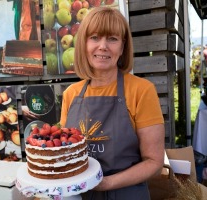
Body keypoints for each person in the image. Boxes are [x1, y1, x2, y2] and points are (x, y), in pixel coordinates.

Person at [59, 7, 165, 199]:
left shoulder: (141, 91)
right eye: (95, 37)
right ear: (83, 44)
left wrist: (104, 183)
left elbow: (154, 162)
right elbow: (67, 154)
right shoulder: (70, 94)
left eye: (112, 39)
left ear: (123, 47)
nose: (103, 46)